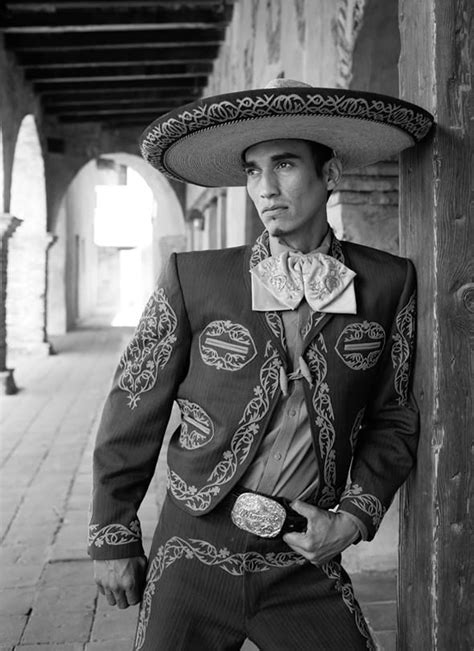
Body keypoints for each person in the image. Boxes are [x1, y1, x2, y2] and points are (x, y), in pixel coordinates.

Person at [88, 79, 434, 650]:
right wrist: (113, 535)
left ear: (330, 174)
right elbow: (133, 405)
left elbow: (395, 417)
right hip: (191, 547)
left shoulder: (388, 283)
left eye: (286, 165)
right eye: (252, 170)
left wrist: (349, 520)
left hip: (304, 550)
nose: (266, 188)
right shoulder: (193, 277)